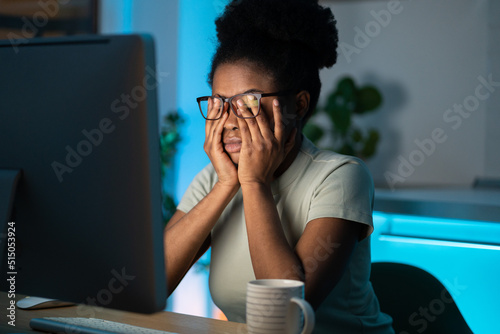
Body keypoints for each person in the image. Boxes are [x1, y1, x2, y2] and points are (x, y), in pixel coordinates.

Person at [164, 0, 394, 332]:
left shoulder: (341, 176)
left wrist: (255, 184)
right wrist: (227, 185)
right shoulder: (215, 179)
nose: (228, 120)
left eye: (248, 102)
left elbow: (288, 315)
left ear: (298, 105)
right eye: (219, 102)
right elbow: (151, 286)